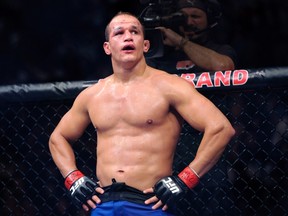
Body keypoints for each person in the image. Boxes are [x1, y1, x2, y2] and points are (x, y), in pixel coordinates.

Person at [48, 11, 235, 216]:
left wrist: (184, 179)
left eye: (135, 32)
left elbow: (221, 128)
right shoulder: (92, 95)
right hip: (102, 204)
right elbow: (58, 138)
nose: (128, 37)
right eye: (119, 33)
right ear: (107, 48)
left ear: (145, 45)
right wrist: (73, 178)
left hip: (150, 204)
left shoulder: (169, 86)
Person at [146, 0, 237, 74]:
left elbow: (224, 67)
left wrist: (181, 42)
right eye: (183, 17)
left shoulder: (221, 50)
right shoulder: (163, 54)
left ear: (209, 20)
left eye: (195, 16)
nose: (188, 22)